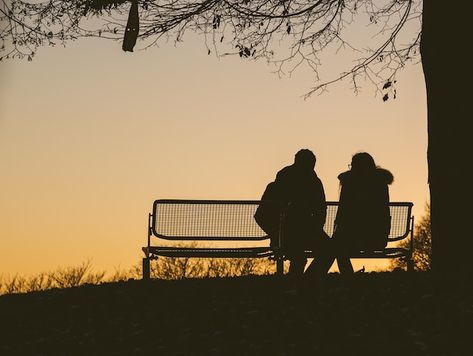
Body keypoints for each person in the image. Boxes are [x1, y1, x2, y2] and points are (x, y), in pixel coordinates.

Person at [333, 152, 393, 274]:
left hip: (353, 238)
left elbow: (343, 212)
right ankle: (349, 280)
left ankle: (347, 278)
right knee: (337, 245)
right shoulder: (381, 182)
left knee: (335, 246)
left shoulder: (349, 183)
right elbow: (384, 214)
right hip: (377, 238)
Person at [273, 149, 329, 277]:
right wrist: (317, 227)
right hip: (303, 230)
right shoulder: (314, 181)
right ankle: (310, 278)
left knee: (299, 256)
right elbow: (321, 207)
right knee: (329, 250)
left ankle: (298, 281)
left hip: (285, 232)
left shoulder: (284, 176)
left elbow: (274, 205)